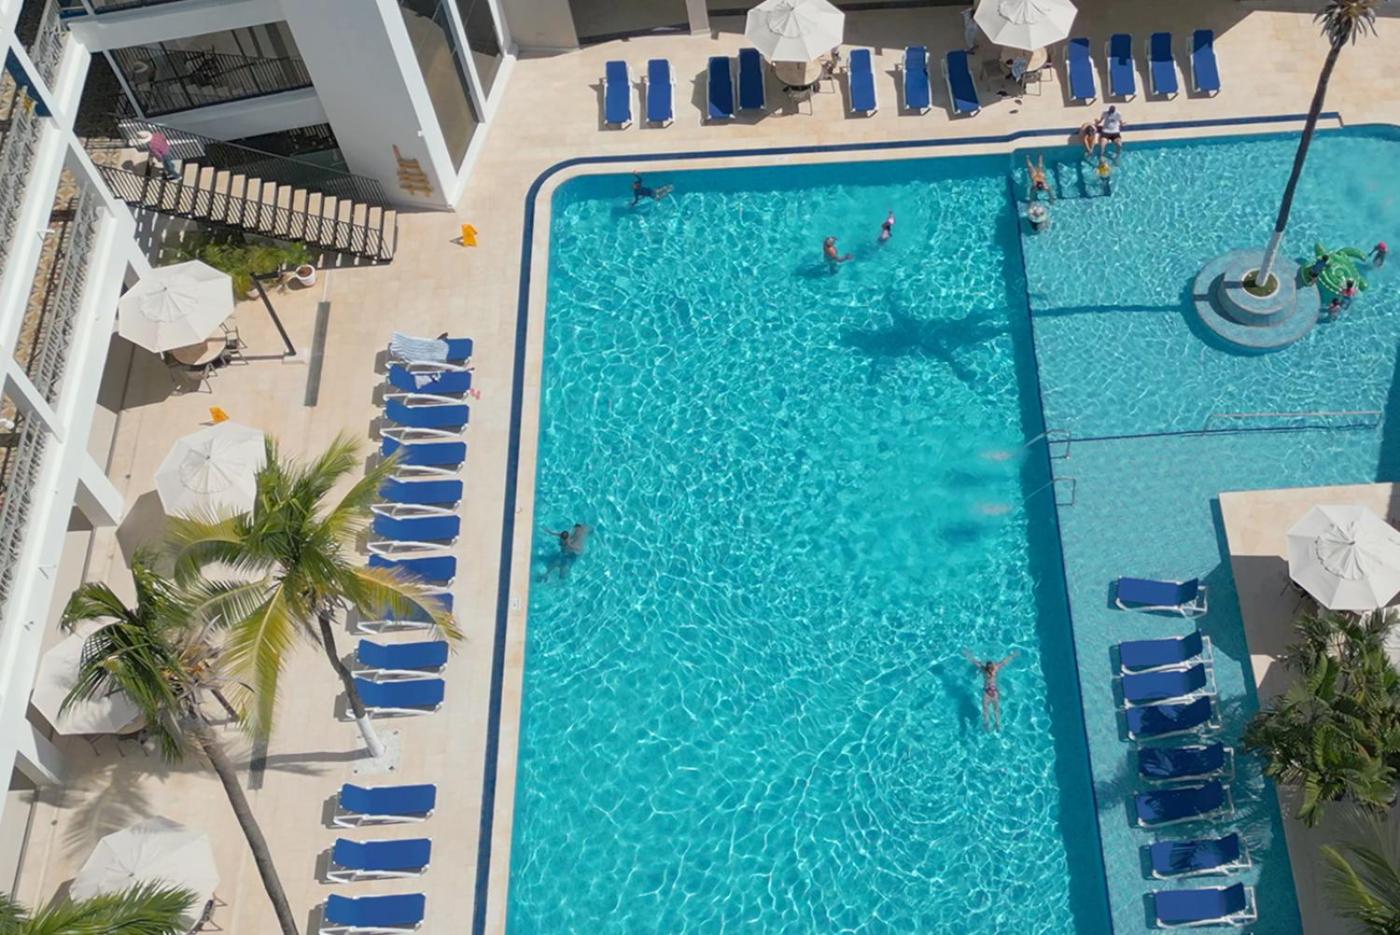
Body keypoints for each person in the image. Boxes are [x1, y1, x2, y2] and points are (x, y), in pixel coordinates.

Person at [964, 648, 1019, 731]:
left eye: (990, 667)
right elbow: (974, 661)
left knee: (992, 709)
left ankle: (994, 725)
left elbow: (1004, 662)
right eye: (989, 667)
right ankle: (991, 724)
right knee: (989, 709)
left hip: (991, 692)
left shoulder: (991, 669)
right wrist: (967, 655)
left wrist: (1013, 655)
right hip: (990, 692)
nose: (990, 669)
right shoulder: (988, 669)